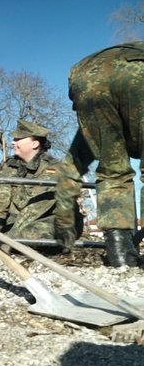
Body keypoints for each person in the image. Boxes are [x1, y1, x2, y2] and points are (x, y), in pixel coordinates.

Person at [55, 41, 144, 268]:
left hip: (85, 77)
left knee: (112, 170)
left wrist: (64, 223)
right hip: (137, 71)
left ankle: (120, 255)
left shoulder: (94, 124)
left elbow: (72, 165)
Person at [0, 120, 61, 251]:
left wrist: (6, 243)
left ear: (35, 144)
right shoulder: (11, 166)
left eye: (18, 139)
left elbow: (34, 210)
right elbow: (0, 204)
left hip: (51, 220)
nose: (12, 142)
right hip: (18, 221)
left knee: (30, 234)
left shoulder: (53, 168)